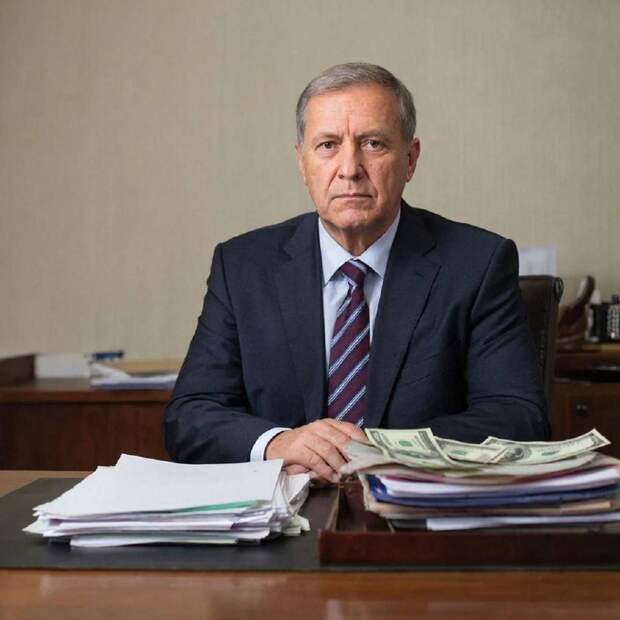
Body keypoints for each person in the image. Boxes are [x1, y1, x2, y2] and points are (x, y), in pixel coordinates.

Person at [163, 62, 548, 482]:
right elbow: (190, 416)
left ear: (410, 159)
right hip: (281, 511)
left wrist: (378, 450)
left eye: (373, 144)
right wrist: (276, 444)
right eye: (328, 145)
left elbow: (519, 417)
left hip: (415, 509)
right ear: (302, 163)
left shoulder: (477, 264)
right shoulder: (242, 266)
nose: (349, 168)